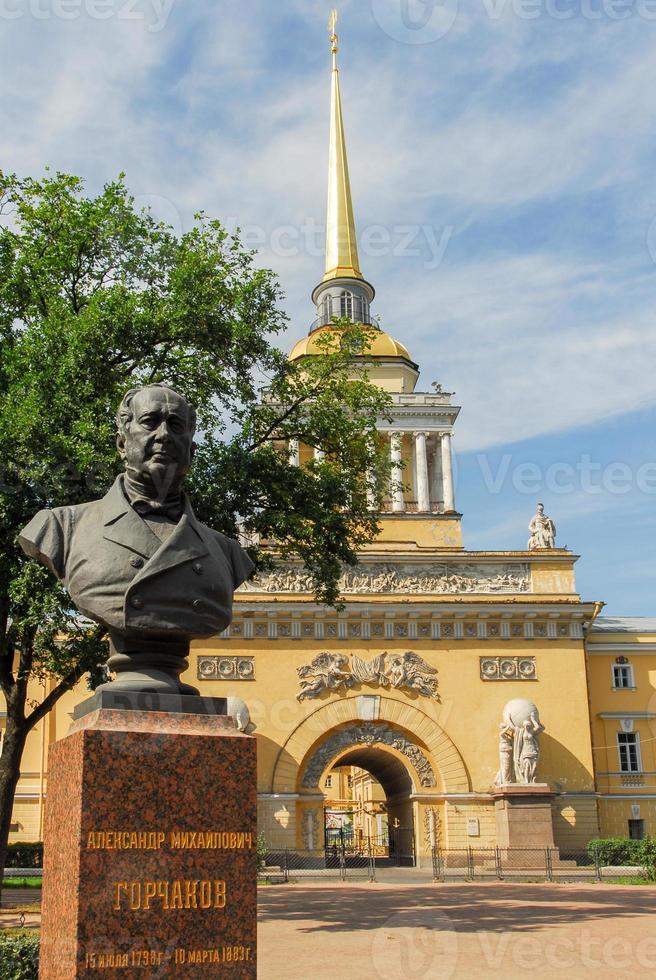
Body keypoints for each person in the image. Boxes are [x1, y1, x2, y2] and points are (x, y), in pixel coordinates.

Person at [19, 384, 253, 692]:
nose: (164, 435)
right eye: (150, 421)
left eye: (176, 425)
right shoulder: (61, 527)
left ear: (191, 450)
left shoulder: (226, 552)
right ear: (121, 442)